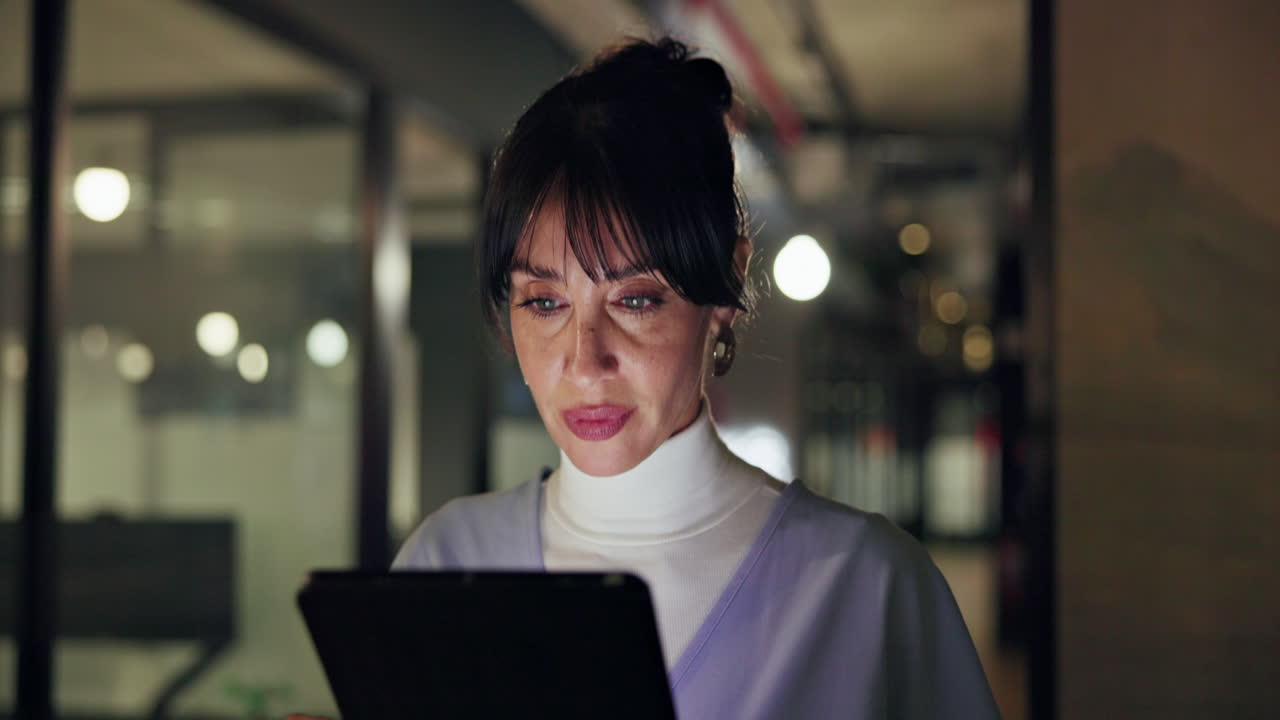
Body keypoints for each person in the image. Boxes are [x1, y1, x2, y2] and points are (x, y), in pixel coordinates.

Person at [292, 37, 999, 720]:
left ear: (725, 287)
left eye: (635, 300)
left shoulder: (864, 588)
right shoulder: (445, 566)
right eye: (544, 302)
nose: (583, 358)